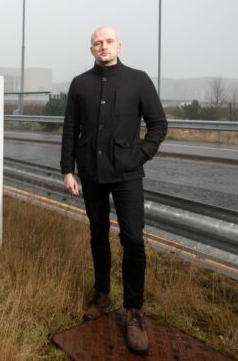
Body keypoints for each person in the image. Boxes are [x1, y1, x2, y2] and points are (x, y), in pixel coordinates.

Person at [60, 26, 167, 354]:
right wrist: (68, 169)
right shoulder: (80, 84)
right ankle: (102, 293)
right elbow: (69, 129)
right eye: (97, 43)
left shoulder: (138, 79)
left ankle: (133, 311)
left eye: (108, 41)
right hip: (91, 175)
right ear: (91, 49)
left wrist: (140, 154)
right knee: (98, 234)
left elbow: (158, 125)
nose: (103, 46)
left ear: (118, 45)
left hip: (128, 175)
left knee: (133, 238)